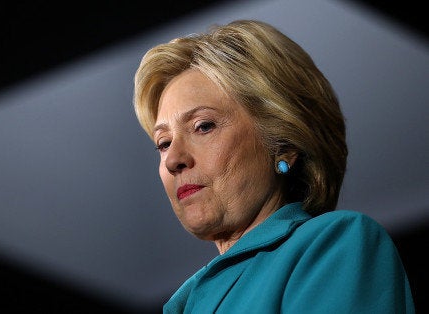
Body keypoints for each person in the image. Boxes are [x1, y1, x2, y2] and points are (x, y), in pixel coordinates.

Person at [133, 19, 415, 313]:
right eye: (163, 143)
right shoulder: (183, 304)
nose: (173, 159)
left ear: (283, 144)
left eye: (203, 126)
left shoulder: (331, 247)